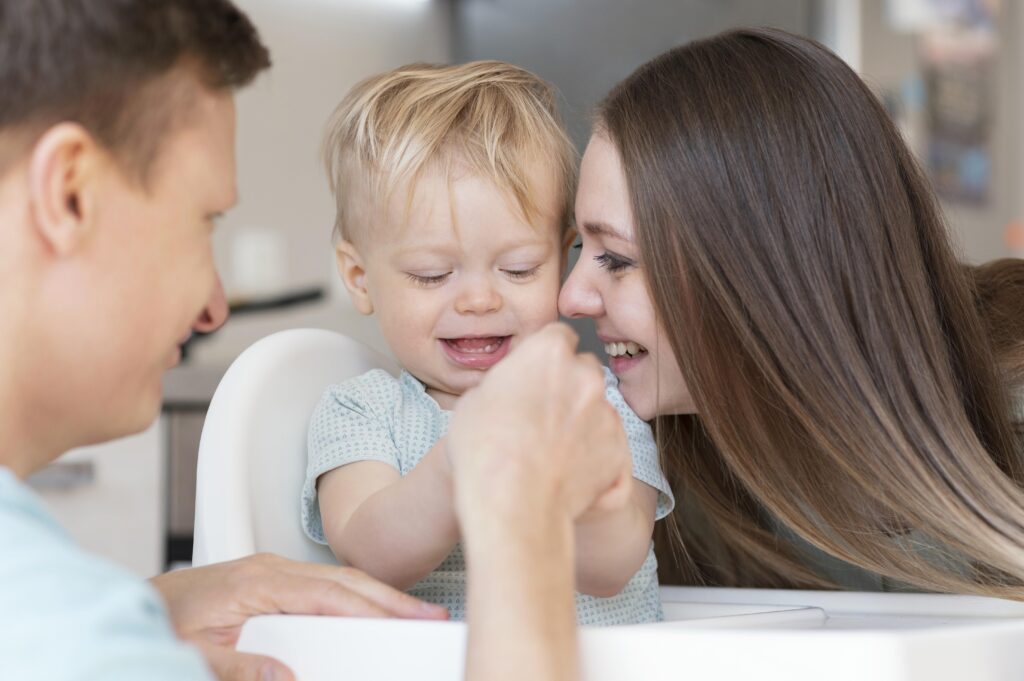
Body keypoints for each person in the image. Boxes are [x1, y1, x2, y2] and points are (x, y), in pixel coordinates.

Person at [444, 27, 1024, 679]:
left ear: (767, 271)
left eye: (619, 258)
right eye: (581, 250)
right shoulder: (661, 489)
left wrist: (509, 501)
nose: (571, 296)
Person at [0, 2, 447, 680]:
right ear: (69, 195)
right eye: (204, 220)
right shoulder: (76, 643)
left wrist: (150, 606)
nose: (213, 307)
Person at [300, 61, 673, 624]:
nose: (478, 301)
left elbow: (615, 562)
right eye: (432, 274)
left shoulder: (597, 402)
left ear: (562, 257)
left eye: (519, 270)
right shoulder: (362, 412)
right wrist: (459, 462)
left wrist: (576, 482)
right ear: (360, 279)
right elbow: (369, 556)